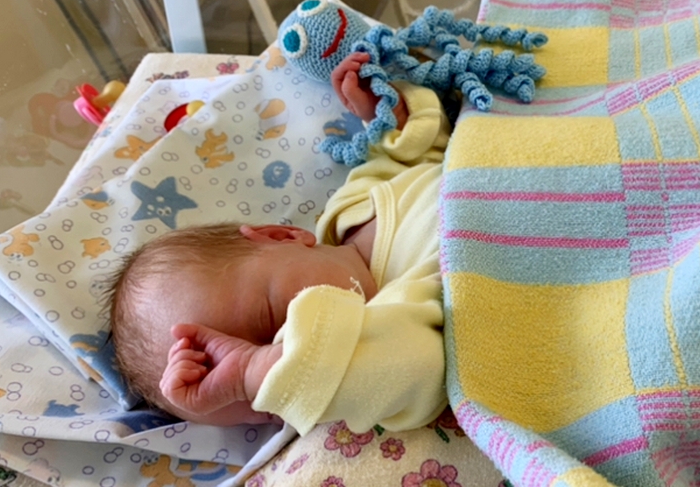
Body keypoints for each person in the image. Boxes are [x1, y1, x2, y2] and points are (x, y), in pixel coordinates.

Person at [104, 52, 451, 435]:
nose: (290, 345)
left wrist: (389, 116)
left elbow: (420, 152)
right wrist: (254, 373)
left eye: (276, 321)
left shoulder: (351, 208)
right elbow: (419, 373)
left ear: (281, 237)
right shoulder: (396, 319)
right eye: (265, 399)